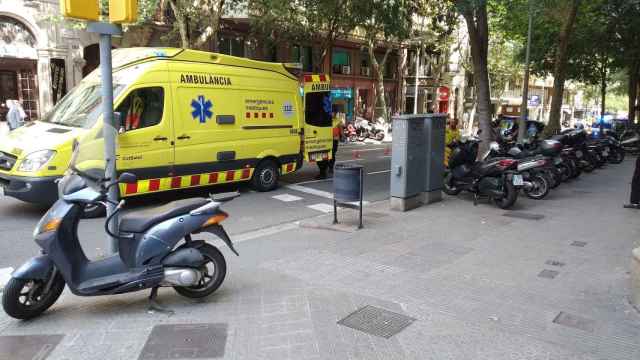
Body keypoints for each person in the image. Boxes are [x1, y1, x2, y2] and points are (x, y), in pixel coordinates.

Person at [317, 115, 342, 179]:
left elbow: (340, 130)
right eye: (332, 112)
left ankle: (330, 167)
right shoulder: (325, 119)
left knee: (332, 154)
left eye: (334, 112)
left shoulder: (337, 121)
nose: (332, 113)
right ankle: (325, 169)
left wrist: (342, 136)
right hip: (326, 140)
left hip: (334, 140)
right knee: (325, 155)